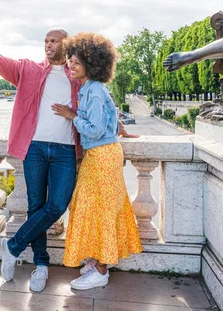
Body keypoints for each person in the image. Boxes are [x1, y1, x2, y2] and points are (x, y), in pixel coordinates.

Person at [0, 21, 138, 293]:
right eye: (46, 40)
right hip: (36, 148)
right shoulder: (28, 70)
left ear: (69, 46)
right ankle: (41, 264)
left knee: (57, 205)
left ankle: (12, 246)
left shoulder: (79, 76)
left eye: (55, 41)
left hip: (66, 150)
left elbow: (100, 104)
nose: (48, 44)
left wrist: (118, 126)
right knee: (35, 204)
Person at [52, 32, 142, 290]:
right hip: (104, 154)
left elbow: (92, 129)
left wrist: (71, 115)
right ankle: (100, 260)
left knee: (99, 210)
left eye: (76, 62)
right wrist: (119, 128)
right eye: (70, 60)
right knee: (100, 208)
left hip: (101, 155)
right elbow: (109, 116)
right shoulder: (93, 87)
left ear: (92, 64)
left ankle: (101, 269)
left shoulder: (91, 90)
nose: (70, 64)